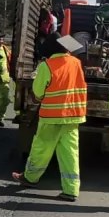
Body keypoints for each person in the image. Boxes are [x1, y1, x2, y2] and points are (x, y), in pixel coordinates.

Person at [11, 33, 87, 201]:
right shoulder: (76, 63)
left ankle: (30, 178)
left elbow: (38, 92)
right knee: (70, 153)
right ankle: (71, 190)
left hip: (52, 116)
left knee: (41, 149)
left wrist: (38, 97)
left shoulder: (48, 65)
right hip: (73, 116)